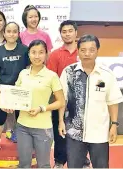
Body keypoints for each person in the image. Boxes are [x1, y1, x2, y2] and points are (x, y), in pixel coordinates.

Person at [58, 34, 123, 168]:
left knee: (101, 166)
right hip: (74, 132)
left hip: (99, 132)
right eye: (83, 50)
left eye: (91, 50)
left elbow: (113, 101)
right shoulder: (68, 72)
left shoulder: (106, 74)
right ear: (78, 51)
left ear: (97, 51)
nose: (87, 53)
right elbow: (62, 100)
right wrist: (60, 121)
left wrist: (114, 125)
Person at [13, 40, 65, 168]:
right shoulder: (23, 73)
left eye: (41, 52)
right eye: (33, 52)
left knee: (43, 165)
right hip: (22, 126)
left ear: (46, 54)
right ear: (29, 54)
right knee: (23, 164)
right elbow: (15, 96)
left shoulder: (51, 76)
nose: (37, 56)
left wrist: (42, 108)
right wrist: (9, 104)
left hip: (43, 128)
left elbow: (61, 101)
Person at [46, 20, 90, 168]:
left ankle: (83, 160)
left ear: (76, 32)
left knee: (82, 132)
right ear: (60, 34)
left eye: (70, 31)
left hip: (83, 101)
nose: (67, 34)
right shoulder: (54, 55)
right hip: (61, 101)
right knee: (60, 134)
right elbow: (51, 79)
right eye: (64, 31)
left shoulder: (84, 52)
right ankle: (59, 161)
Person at [0, 22, 30, 153]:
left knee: (22, 117)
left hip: (21, 90)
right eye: (9, 31)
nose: (11, 34)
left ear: (18, 33)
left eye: (14, 31)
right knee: (1, 116)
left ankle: (24, 144)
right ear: (4, 33)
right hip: (4, 90)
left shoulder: (24, 49)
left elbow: (29, 70)